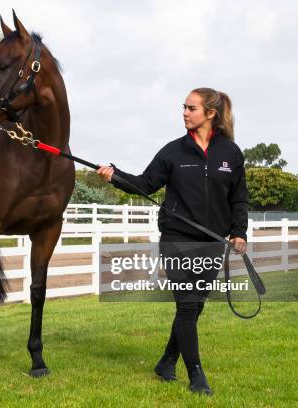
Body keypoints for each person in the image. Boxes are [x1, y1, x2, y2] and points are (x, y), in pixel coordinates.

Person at [97, 87, 249, 396]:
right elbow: (144, 184)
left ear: (210, 114)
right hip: (176, 240)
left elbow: (238, 199)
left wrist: (239, 231)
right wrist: (114, 175)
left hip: (212, 243)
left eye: (191, 108)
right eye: (184, 107)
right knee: (187, 305)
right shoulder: (173, 152)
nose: (184, 112)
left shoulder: (230, 154)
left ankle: (167, 361)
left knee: (193, 309)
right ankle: (196, 375)